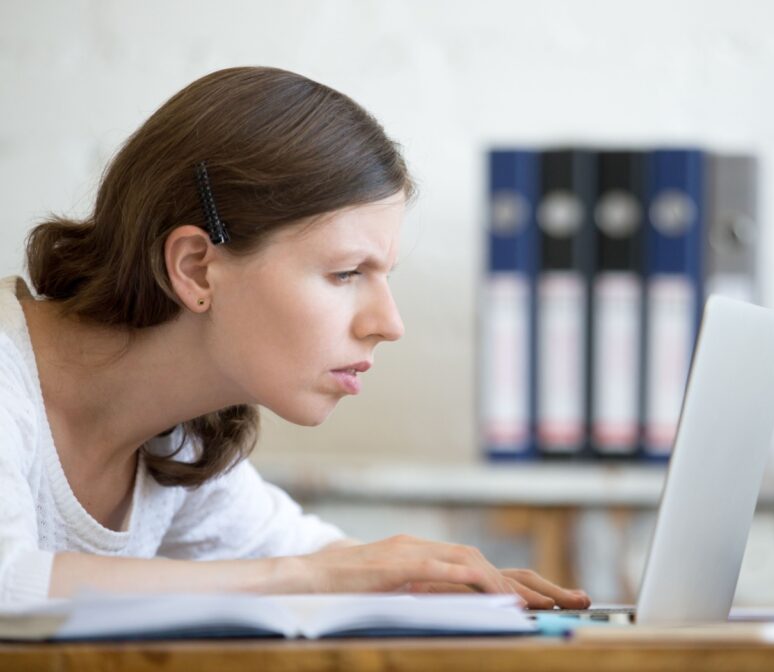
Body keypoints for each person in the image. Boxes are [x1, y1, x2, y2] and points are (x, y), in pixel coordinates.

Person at [0, 66, 590, 610]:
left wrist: (430, 580)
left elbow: (310, 555)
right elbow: (9, 583)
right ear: (196, 268)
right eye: (345, 273)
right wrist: (310, 576)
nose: (389, 323)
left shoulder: (176, 442)